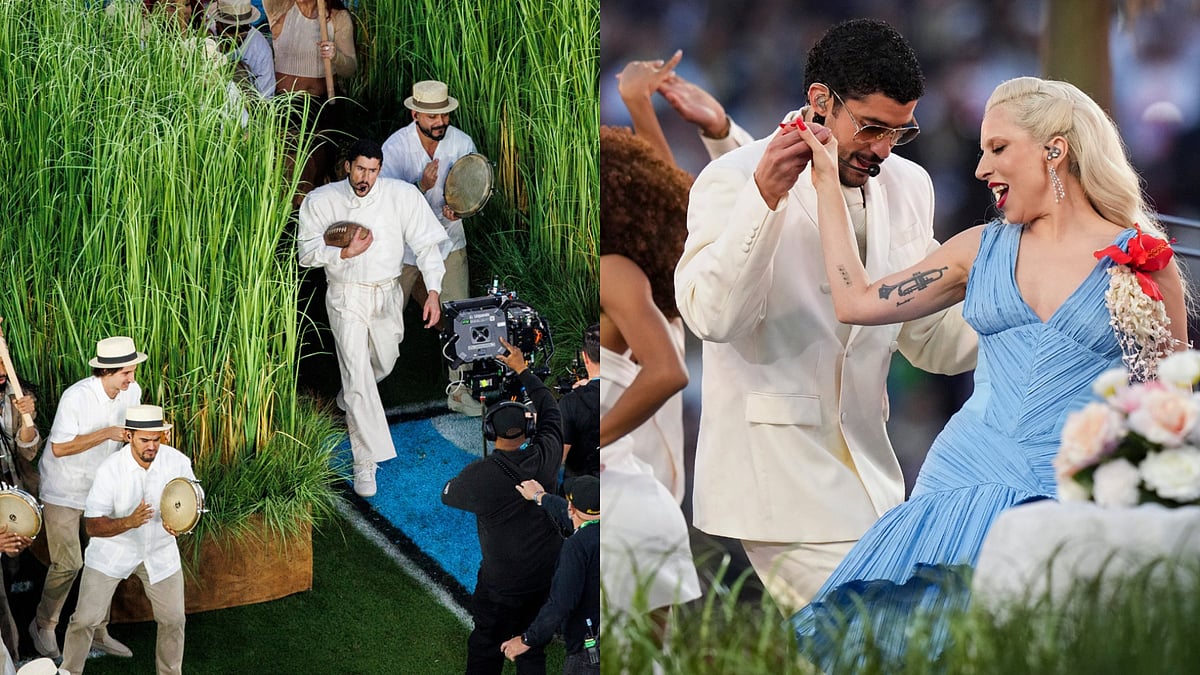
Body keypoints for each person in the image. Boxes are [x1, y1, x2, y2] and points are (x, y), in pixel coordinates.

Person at [789, 76, 1189, 668]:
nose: (980, 169)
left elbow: (1172, 407)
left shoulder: (1146, 263)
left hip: (1072, 493)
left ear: (1054, 150)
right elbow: (857, 303)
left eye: (998, 149)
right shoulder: (978, 248)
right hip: (959, 484)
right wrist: (825, 181)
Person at [674, 18, 978, 614]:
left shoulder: (911, 184)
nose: (884, 150)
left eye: (900, 132)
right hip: (775, 478)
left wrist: (1027, 306)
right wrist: (763, 201)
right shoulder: (732, 178)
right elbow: (712, 318)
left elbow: (927, 341)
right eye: (870, 128)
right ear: (820, 101)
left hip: (873, 471)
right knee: (871, 635)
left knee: (886, 640)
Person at [297, 138, 450, 498]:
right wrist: (344, 253)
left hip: (387, 292)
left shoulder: (400, 196)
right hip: (346, 294)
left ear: (380, 169)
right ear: (347, 166)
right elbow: (306, 253)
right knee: (359, 374)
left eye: (373, 170)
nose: (366, 177)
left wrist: (433, 291)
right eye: (360, 169)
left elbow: (428, 244)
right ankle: (365, 461)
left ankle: (346, 398)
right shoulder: (323, 201)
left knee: (384, 361)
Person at [441, 337, 563, 675]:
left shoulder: (480, 476)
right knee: (531, 650)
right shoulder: (547, 455)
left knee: (485, 647)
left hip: (501, 588)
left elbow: (447, 494)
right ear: (529, 429)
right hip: (544, 579)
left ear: (489, 432)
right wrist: (522, 368)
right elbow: (550, 409)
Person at [29, 336, 147, 660]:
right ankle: (43, 626)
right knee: (68, 563)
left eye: (134, 372)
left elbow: (133, 436)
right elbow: (59, 448)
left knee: (104, 559)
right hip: (62, 489)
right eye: (127, 373)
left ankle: (96, 630)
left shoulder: (132, 393)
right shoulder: (76, 396)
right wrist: (108, 432)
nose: (132, 380)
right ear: (107, 371)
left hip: (100, 490)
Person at [59, 405, 195, 675]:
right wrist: (128, 522)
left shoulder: (178, 461)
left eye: (157, 439)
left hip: (159, 551)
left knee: (174, 619)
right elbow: (93, 525)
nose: (152, 446)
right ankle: (68, 671)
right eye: (145, 439)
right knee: (85, 620)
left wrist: (181, 522)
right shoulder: (110, 470)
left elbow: (193, 500)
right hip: (112, 552)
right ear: (129, 436)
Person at [378, 80, 483, 417]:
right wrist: (420, 186)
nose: (440, 122)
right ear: (415, 114)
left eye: (445, 115)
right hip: (405, 248)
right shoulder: (394, 148)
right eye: (433, 117)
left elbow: (472, 190)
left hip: (448, 239)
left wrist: (461, 210)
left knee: (460, 317)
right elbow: (384, 203)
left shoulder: (462, 142)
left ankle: (458, 389)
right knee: (385, 316)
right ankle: (365, 390)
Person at [599, 125, 690, 503]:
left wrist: (593, 440)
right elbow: (676, 204)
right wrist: (639, 105)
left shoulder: (613, 273)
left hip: (618, 484)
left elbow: (668, 373)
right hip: (649, 491)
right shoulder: (658, 301)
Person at [502, 475, 600, 674]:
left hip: (592, 642)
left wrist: (527, 639)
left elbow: (561, 602)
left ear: (572, 508)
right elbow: (578, 519)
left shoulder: (578, 546)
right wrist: (540, 496)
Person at [263, 0, 354, 99]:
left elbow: (349, 70)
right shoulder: (278, 7)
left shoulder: (338, 16)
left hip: (324, 102)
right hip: (286, 103)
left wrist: (336, 56)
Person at [207, 0, 275, 99]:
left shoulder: (260, 49)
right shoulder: (207, 39)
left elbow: (266, 98)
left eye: (243, 28)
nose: (237, 35)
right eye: (231, 29)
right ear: (218, 23)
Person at [557, 324, 599, 484]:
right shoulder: (633, 392)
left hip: (581, 494)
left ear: (585, 357)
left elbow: (559, 457)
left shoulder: (571, 402)